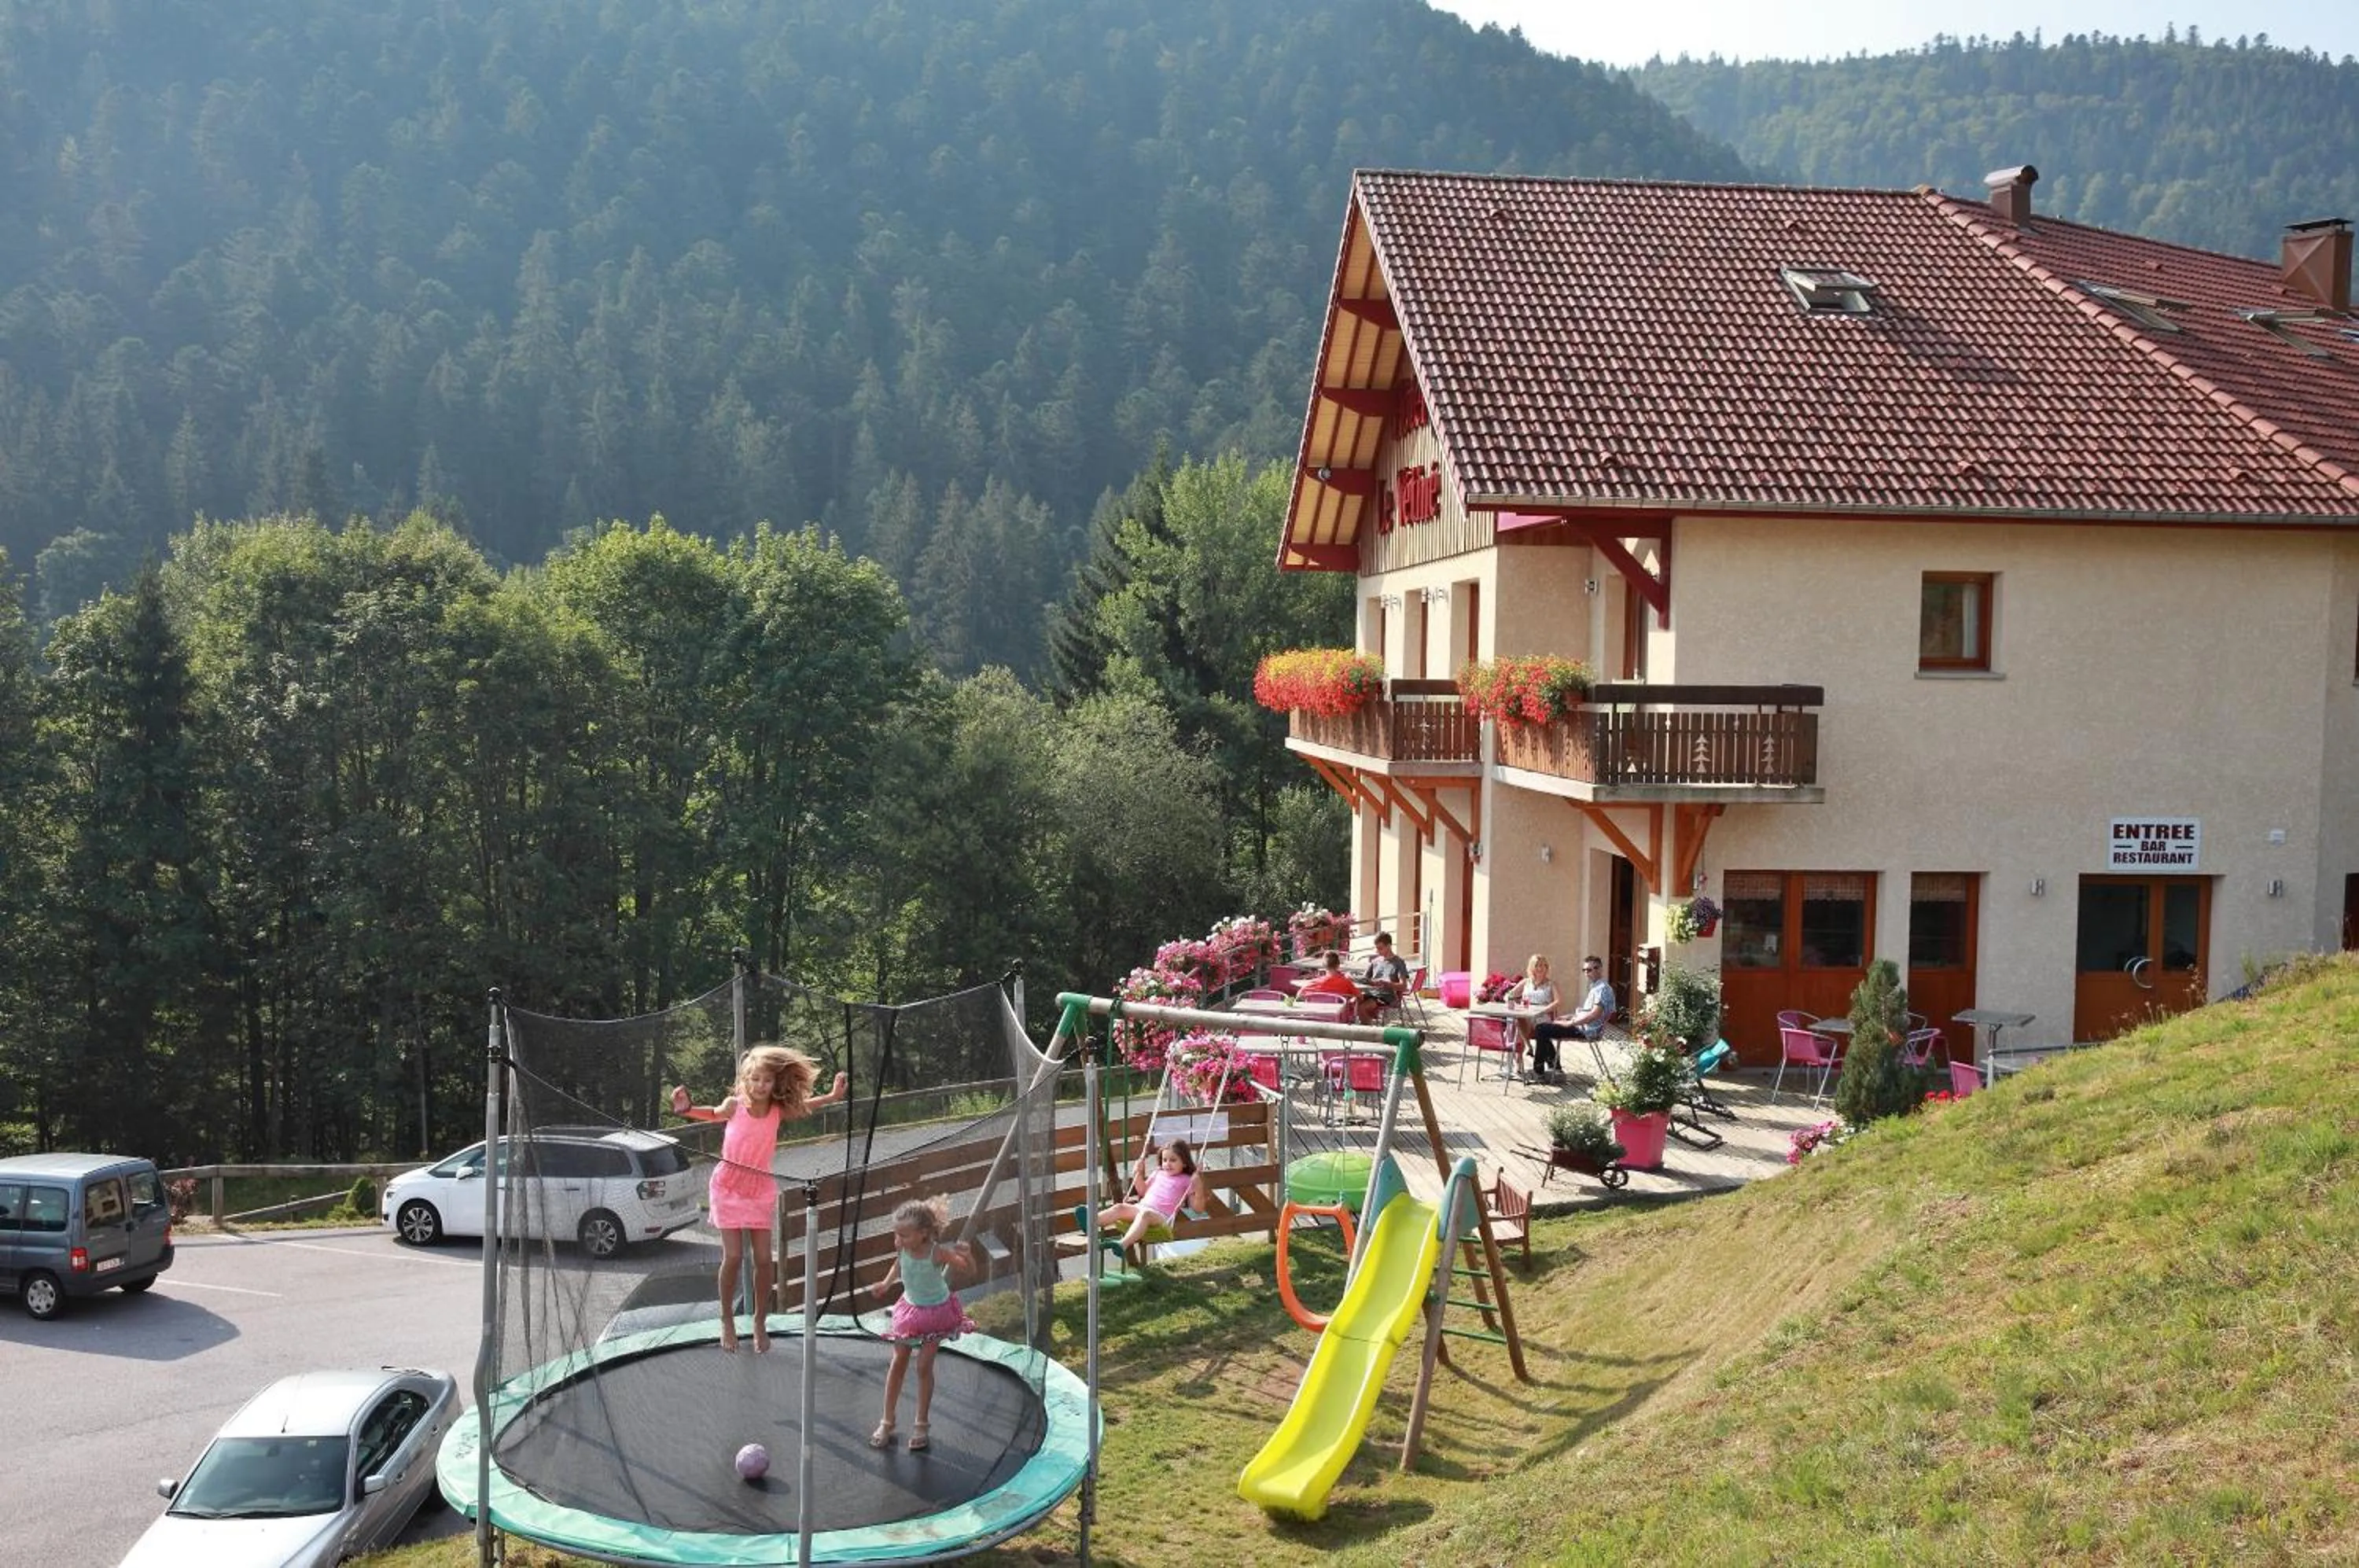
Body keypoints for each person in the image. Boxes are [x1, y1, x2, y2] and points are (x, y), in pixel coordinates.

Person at [672, 1045, 849, 1353]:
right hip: (728, 1187)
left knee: (765, 1261)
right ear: (745, 1080)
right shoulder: (734, 1105)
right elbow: (712, 1115)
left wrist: (833, 1097)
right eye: (754, 1080)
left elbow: (806, 1105)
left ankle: (759, 1322)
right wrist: (687, 1109)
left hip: (758, 1189)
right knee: (735, 1257)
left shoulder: (777, 1110)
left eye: (766, 1081)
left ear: (774, 1083)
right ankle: (727, 1319)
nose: (760, 1086)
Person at [867, 1195, 976, 1452]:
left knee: (924, 1366)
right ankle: (887, 1420)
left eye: (904, 1235)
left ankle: (922, 1423)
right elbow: (899, 1266)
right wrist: (885, 1284)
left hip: (936, 1312)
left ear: (923, 1233)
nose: (898, 1240)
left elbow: (968, 1270)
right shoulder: (903, 1248)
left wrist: (968, 1256)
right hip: (910, 1310)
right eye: (896, 1234)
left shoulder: (937, 1252)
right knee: (898, 1361)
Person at [1095, 1139, 1209, 1250]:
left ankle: (1122, 1245)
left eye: (1173, 1160)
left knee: (1145, 1215)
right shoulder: (1158, 1173)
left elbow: (1198, 1209)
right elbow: (1143, 1191)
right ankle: (1092, 1222)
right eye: (1165, 1160)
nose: (1167, 1164)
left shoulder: (1188, 1180)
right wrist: (1137, 1174)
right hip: (1141, 1208)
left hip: (1161, 1217)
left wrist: (1198, 1186)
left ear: (1184, 1162)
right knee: (1119, 1207)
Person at [1533, 955, 1617, 1082]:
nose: (1587, 973)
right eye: (1585, 970)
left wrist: (1571, 1023)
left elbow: (1594, 1015)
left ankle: (1540, 1072)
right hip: (1582, 1026)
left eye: (1591, 970)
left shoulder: (1602, 989)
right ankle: (1554, 1067)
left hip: (1586, 1030)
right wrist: (1570, 1017)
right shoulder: (1596, 987)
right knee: (1546, 1027)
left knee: (1542, 1029)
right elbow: (1587, 1013)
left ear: (1600, 969)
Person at [1503, 953, 1563, 1079]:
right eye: (1537, 965)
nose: (1541, 968)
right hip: (1526, 1014)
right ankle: (1523, 1056)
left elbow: (1558, 1002)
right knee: (1516, 1020)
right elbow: (1510, 994)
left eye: (1543, 965)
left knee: (1520, 1024)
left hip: (1543, 1015)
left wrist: (1544, 1011)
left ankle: (1524, 1054)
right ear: (1532, 967)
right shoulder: (1526, 982)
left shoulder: (1551, 984)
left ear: (1547, 968)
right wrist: (1510, 999)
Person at [1359, 931, 1411, 1021]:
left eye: (1380, 948)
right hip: (1371, 993)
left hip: (1386, 996)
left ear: (1389, 946)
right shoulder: (1375, 961)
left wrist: (1387, 984)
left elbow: (1404, 986)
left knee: (1362, 1008)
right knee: (1351, 1003)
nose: (1377, 951)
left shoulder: (1398, 963)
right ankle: (1366, 1027)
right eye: (1376, 948)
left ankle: (1370, 1032)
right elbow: (1365, 979)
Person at [1300, 950, 1364, 1009]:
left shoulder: (1314, 983)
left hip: (1316, 1016)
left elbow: (1300, 995)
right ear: (1338, 965)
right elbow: (1360, 997)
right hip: (1339, 1018)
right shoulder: (1346, 982)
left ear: (1323, 965)